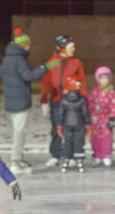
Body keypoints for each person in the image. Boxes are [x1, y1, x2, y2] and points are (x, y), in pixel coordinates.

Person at [0, 28, 60, 174]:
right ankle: (15, 160)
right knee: (19, 132)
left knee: (18, 130)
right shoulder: (19, 59)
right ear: (24, 45)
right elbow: (29, 75)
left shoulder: (8, 58)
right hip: (20, 101)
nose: (30, 46)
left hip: (10, 100)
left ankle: (18, 159)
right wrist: (46, 67)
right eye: (28, 44)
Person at [40, 35, 87, 167]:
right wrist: (44, 100)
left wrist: (83, 99)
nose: (74, 49)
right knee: (56, 128)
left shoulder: (76, 63)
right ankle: (55, 154)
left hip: (73, 103)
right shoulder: (53, 62)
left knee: (71, 128)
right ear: (62, 48)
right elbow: (46, 81)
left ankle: (71, 154)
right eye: (71, 47)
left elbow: (82, 82)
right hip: (56, 100)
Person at [57, 75, 91, 172]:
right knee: (78, 142)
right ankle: (79, 159)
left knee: (67, 142)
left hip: (67, 124)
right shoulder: (82, 99)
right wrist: (88, 124)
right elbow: (85, 112)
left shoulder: (64, 99)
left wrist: (59, 125)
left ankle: (66, 159)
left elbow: (60, 113)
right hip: (79, 124)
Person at [88, 66, 115, 167]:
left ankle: (106, 155)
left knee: (106, 138)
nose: (104, 80)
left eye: (106, 78)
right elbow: (90, 104)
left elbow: (114, 106)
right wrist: (88, 116)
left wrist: (112, 117)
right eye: (102, 78)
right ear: (98, 79)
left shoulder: (111, 93)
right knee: (95, 138)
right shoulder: (94, 92)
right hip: (95, 120)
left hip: (106, 119)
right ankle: (97, 155)